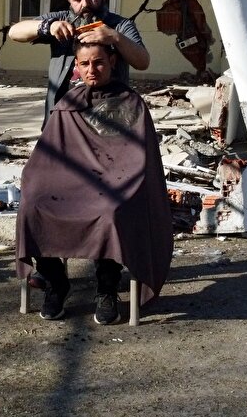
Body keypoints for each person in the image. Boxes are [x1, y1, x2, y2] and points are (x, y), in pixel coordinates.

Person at [15, 40, 172, 324]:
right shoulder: (67, 104)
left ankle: (107, 288)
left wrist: (120, 184)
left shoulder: (131, 103)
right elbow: (47, 156)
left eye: (98, 62)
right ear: (76, 67)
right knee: (32, 207)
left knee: (111, 212)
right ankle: (55, 284)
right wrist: (36, 182)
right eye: (84, 64)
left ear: (112, 62)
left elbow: (138, 157)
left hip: (117, 184)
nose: (92, 70)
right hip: (69, 186)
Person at [7, 0, 150, 124]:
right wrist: (48, 26)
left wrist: (115, 37)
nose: (85, 4)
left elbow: (143, 62)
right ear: (69, 0)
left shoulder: (120, 25)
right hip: (64, 115)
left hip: (109, 117)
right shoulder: (61, 20)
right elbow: (14, 32)